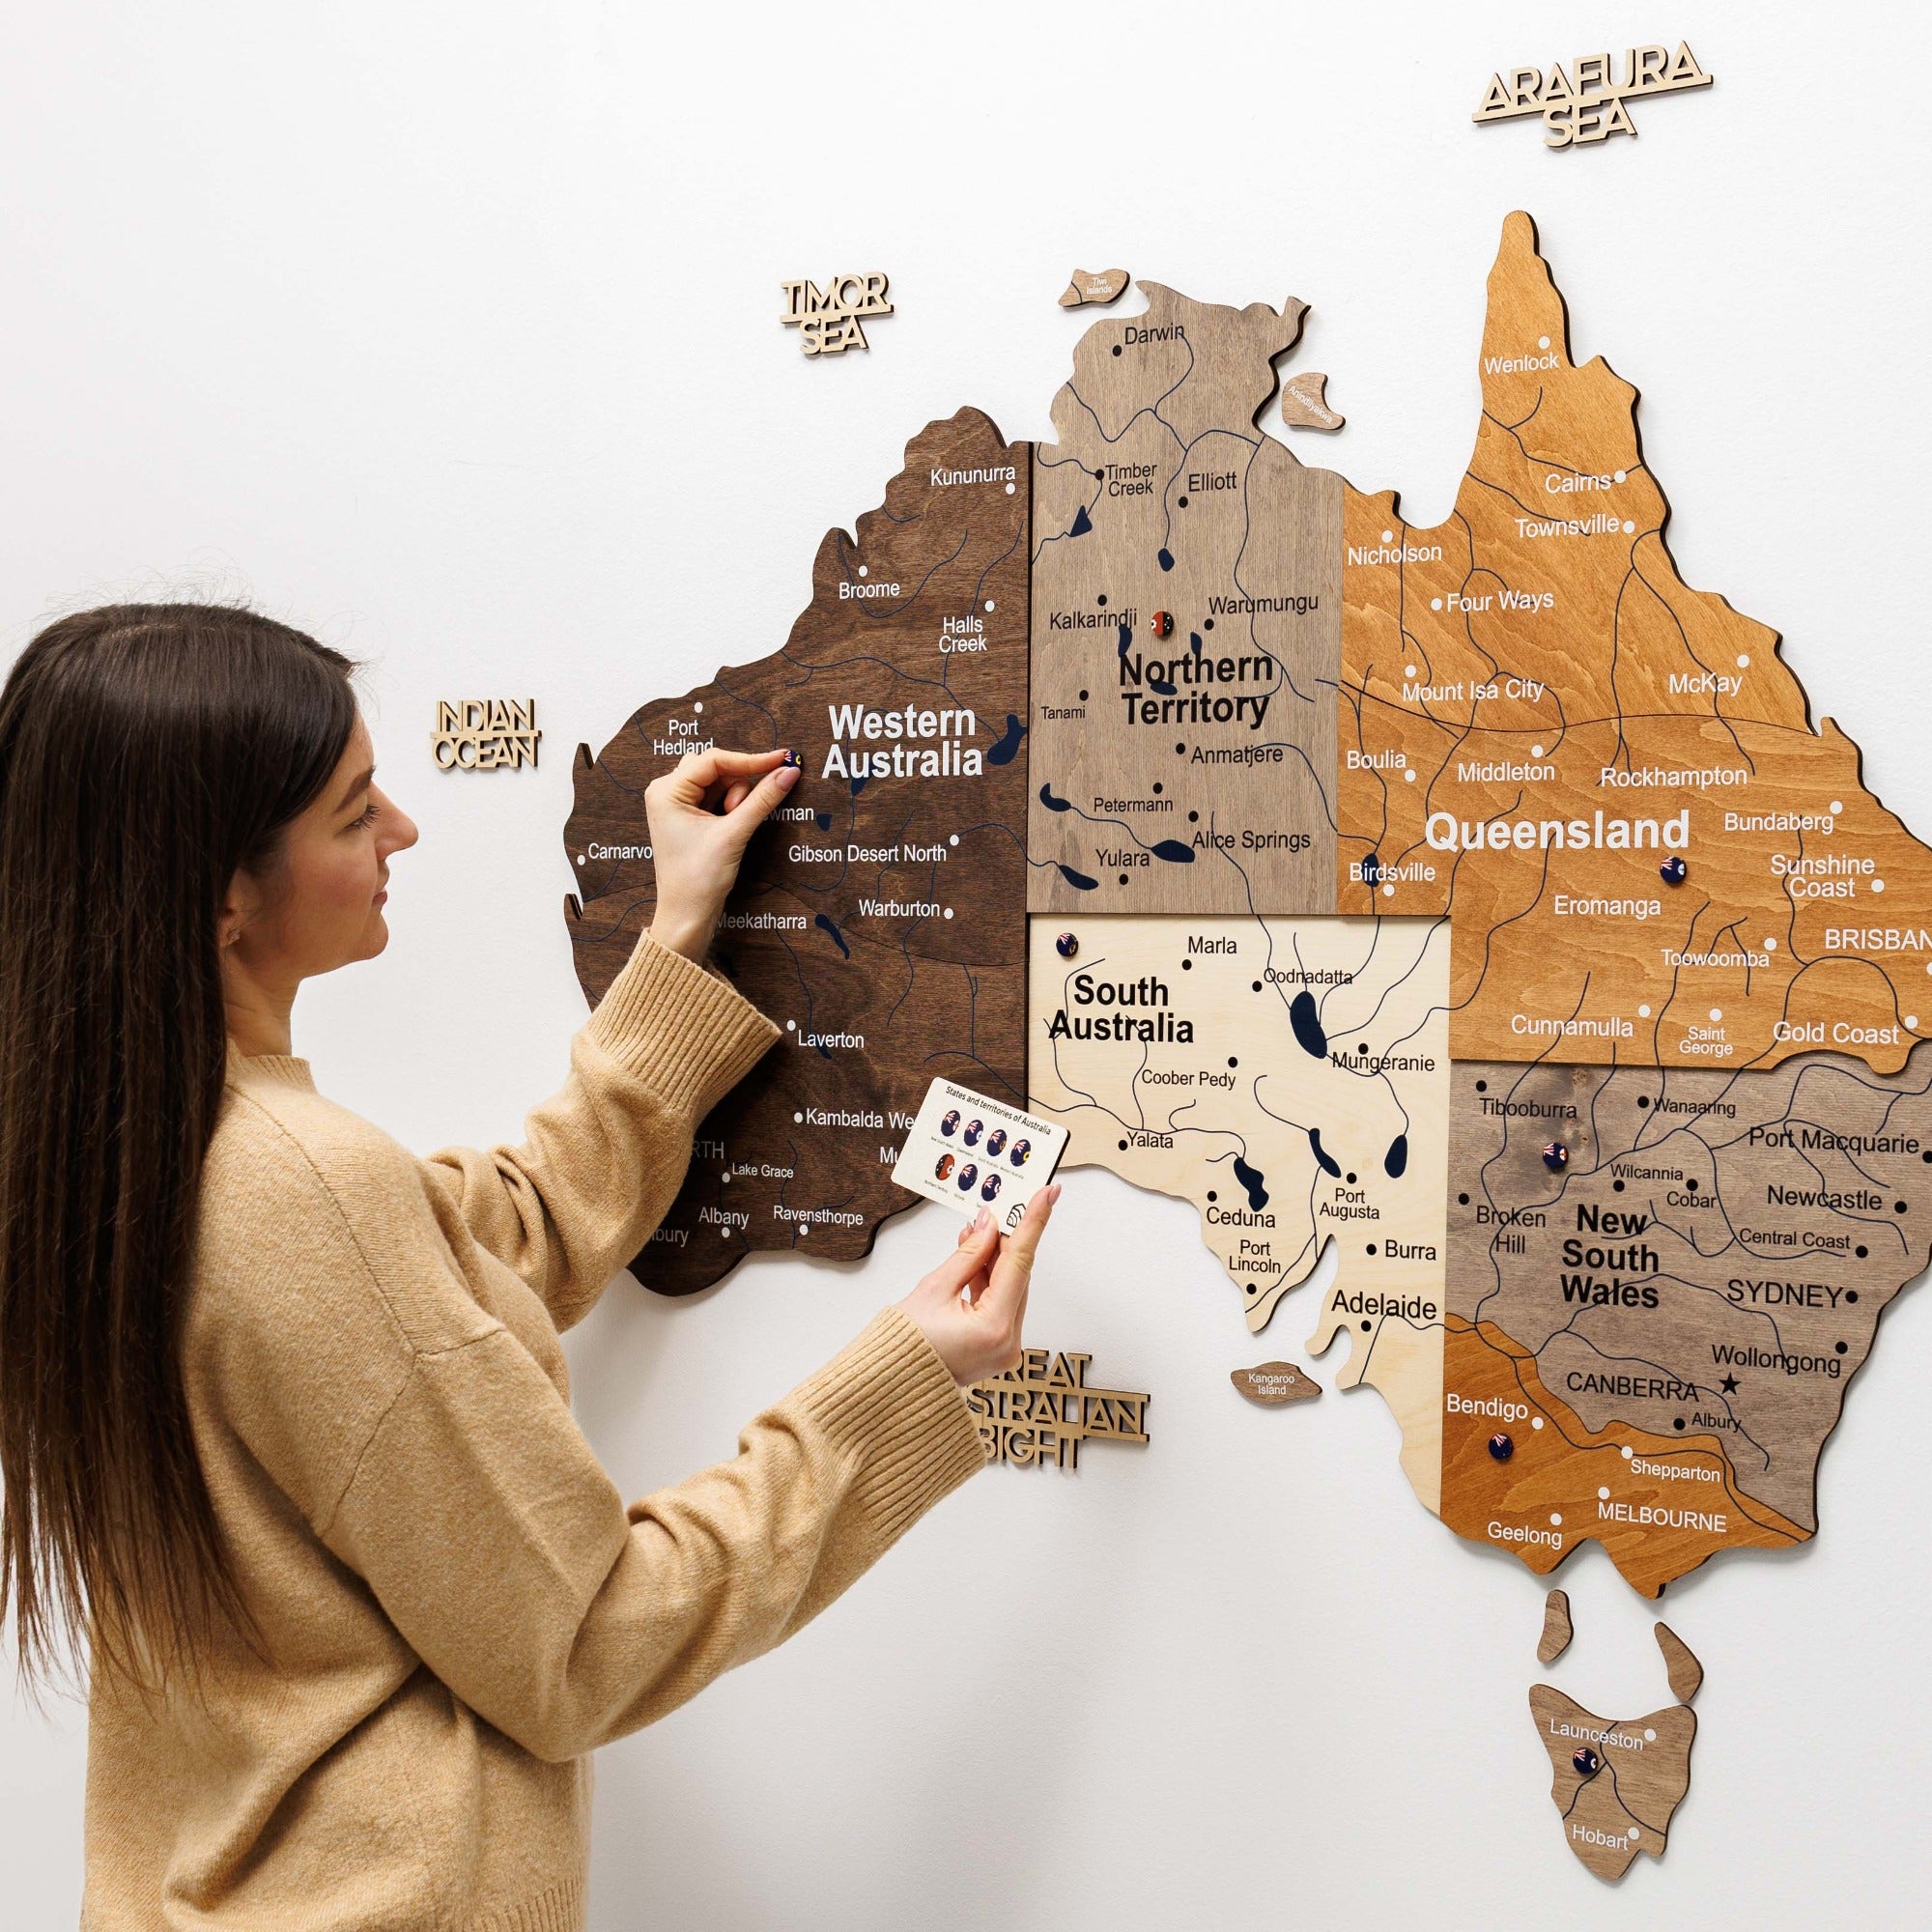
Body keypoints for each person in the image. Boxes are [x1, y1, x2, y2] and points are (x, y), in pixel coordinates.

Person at [0, 604, 1057, 1931]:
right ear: (221, 896)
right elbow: (587, 1640)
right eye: (355, 812)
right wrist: (905, 1383)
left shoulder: (99, 1157)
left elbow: (475, 1251)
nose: (402, 831)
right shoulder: (298, 1187)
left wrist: (676, 941)